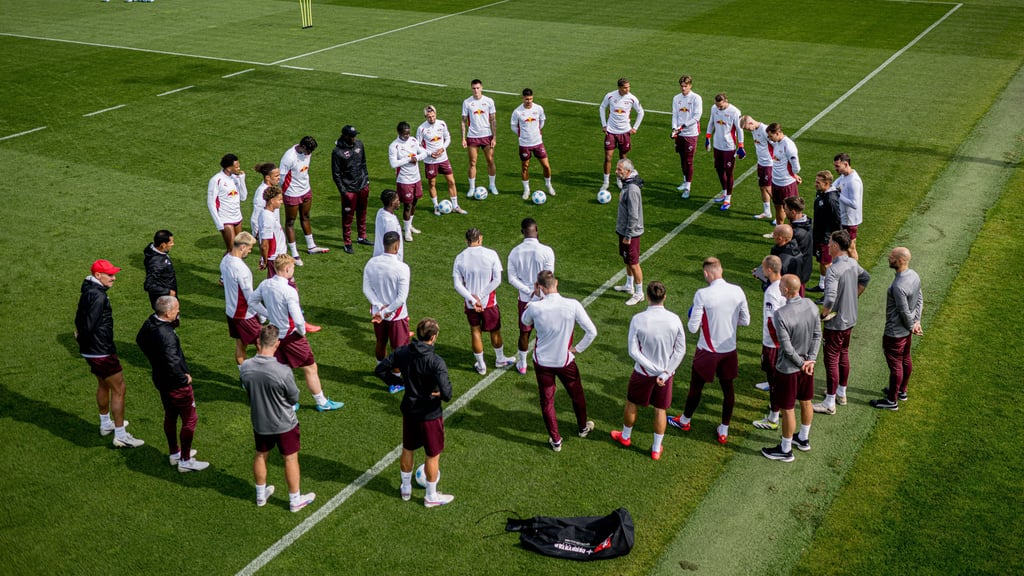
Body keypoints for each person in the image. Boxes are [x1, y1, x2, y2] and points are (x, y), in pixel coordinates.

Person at [668, 257, 750, 444]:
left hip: (707, 350)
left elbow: (692, 328)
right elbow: (745, 321)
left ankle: (685, 420)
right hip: (729, 350)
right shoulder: (737, 291)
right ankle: (724, 430)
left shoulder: (702, 294)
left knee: (696, 387)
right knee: (728, 389)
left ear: (707, 273)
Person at [375, 318, 455, 507]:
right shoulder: (436, 361)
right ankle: (431, 496)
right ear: (433, 337)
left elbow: (380, 369)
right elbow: (447, 393)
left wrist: (398, 383)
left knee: (408, 448)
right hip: (430, 413)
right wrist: (439, 394)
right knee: (432, 454)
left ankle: (405, 489)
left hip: (409, 409)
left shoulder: (403, 352)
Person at [250, 254, 344, 412]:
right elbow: (299, 320)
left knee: (283, 370)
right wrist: (301, 333)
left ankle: (289, 403)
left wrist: (267, 313)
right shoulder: (289, 291)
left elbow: (252, 301)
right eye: (292, 268)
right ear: (287, 269)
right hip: (291, 336)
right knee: (310, 367)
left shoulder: (265, 284)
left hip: (274, 336)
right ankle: (321, 402)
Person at [240, 325, 316, 512]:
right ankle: (294, 499)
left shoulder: (246, 367)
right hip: (284, 423)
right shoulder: (283, 371)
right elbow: (294, 397)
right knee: (290, 459)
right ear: (277, 344)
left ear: (258, 342)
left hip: (259, 421)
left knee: (260, 454)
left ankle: (260, 495)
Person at [521, 270, 598, 452]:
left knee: (547, 402)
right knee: (576, 394)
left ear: (539, 287)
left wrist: (532, 300)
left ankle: (556, 440)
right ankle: (582, 428)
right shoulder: (572, 305)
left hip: (542, 363)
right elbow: (592, 332)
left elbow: (525, 321)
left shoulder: (534, 307)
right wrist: (577, 349)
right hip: (564, 361)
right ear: (556, 282)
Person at [610, 281, 686, 461]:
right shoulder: (674, 319)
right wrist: (665, 373)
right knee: (660, 409)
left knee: (631, 403)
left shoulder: (638, 319)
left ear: (648, 296)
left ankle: (626, 436)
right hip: (665, 376)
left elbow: (632, 351)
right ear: (664, 297)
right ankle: (656, 449)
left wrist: (652, 368)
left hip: (642, 373)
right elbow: (680, 350)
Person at [75, 259, 144, 448]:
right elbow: (89, 324)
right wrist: (84, 337)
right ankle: (121, 435)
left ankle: (106, 424)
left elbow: (79, 318)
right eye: (110, 275)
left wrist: (80, 338)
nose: (114, 278)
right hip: (101, 350)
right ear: (98, 275)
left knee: (103, 385)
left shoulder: (88, 290)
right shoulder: (98, 295)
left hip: (91, 351)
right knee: (119, 389)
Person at [135, 296, 208, 472]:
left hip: (160, 379)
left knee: (170, 414)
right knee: (190, 419)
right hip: (176, 383)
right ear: (168, 313)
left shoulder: (150, 322)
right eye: (176, 309)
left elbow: (140, 340)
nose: (178, 312)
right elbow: (172, 361)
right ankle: (185, 460)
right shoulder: (166, 335)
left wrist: (155, 359)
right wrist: (184, 379)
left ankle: (175, 453)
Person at [761, 275, 820, 462]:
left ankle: (785, 449)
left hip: (788, 369)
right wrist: (810, 360)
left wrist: (802, 363)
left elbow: (786, 348)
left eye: (781, 286)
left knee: (787, 409)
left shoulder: (780, 314)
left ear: (786, 290)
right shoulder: (811, 304)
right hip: (807, 367)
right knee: (806, 400)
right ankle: (803, 438)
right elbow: (817, 335)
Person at [813, 230, 870, 414]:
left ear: (836, 246)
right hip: (851, 317)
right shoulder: (853, 263)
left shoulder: (833, 270)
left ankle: (830, 402)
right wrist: (854, 296)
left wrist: (825, 314)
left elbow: (829, 298)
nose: (828, 246)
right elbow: (865, 278)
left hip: (836, 322)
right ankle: (841, 392)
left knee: (831, 359)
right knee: (843, 353)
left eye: (830, 243)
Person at [453, 228, 513, 375]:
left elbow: (457, 284)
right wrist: (481, 296)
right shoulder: (491, 254)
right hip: (489, 302)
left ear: (466, 241)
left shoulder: (460, 258)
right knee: (495, 330)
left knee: (475, 331)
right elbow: (497, 280)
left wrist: (473, 299)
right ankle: (500, 359)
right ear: (480, 238)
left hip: (470, 303)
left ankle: (481, 365)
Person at [870, 247, 924, 410]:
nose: (889, 257)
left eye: (892, 256)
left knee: (896, 366)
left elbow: (903, 311)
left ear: (900, 260)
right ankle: (902, 391)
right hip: (906, 331)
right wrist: (916, 322)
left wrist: (912, 325)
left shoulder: (898, 286)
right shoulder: (914, 275)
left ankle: (892, 401)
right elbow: (920, 297)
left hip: (895, 333)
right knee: (905, 359)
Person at [363, 231, 411, 394]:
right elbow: (401, 298)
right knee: (398, 349)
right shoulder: (402, 268)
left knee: (380, 341)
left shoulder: (371, 263)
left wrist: (378, 307)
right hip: (396, 315)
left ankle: (380, 368)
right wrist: (386, 311)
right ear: (397, 246)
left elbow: (366, 289)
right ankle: (395, 379)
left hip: (377, 313)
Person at [506, 218, 555, 375]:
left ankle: (523, 363)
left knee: (524, 332)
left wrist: (528, 292)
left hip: (525, 300)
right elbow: (548, 276)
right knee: (546, 332)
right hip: (544, 299)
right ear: (537, 230)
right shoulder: (547, 251)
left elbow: (512, 278)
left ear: (522, 232)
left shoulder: (514, 252)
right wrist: (538, 292)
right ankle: (544, 362)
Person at [221, 231, 268, 366]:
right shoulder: (241, 269)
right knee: (263, 345)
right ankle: (259, 377)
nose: (249, 251)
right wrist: (267, 313)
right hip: (244, 314)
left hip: (231, 311)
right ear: (242, 247)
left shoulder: (225, 260)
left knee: (240, 344)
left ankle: (244, 375)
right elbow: (251, 299)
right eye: (249, 248)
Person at [280, 136, 329, 260]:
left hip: (305, 190)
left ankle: (311, 246)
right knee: (290, 222)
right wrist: (283, 193)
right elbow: (281, 177)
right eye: (308, 151)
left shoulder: (308, 153)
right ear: (302, 147)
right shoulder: (289, 157)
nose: (309, 154)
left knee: (306, 216)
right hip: (292, 192)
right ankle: (294, 253)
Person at [417, 106, 467, 216]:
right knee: (432, 183)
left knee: (451, 181)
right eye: (429, 117)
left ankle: (455, 206)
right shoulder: (421, 129)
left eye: (433, 116)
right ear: (425, 117)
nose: (432, 118)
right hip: (430, 161)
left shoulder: (442, 124)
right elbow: (418, 146)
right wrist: (430, 153)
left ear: (436, 114)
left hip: (443, 158)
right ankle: (436, 207)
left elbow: (448, 138)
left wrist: (443, 148)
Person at [331, 125, 373, 254]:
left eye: (355, 136)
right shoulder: (337, 152)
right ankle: (347, 242)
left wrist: (366, 181)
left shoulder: (359, 145)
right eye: (352, 136)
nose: (354, 138)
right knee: (348, 217)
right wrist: (343, 191)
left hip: (362, 186)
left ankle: (362, 237)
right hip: (349, 189)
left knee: (362, 212)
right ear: (345, 136)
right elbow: (336, 174)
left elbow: (363, 163)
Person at [599, 77, 644, 192]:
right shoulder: (610, 96)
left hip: (624, 132)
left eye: (629, 87)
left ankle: (620, 180)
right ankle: (606, 182)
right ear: (619, 87)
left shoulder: (632, 98)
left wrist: (635, 128)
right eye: (625, 88)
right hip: (611, 132)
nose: (627, 89)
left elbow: (641, 112)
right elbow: (602, 107)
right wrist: (604, 125)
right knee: (608, 157)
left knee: (623, 158)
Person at [611, 159, 646, 306]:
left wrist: (628, 235)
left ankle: (639, 293)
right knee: (627, 260)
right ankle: (629, 285)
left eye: (619, 170)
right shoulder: (627, 184)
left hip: (630, 233)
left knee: (634, 263)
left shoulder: (632, 189)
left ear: (628, 171)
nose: (616, 172)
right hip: (624, 230)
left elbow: (634, 215)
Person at [511, 88, 556, 199]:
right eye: (527, 99)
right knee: (525, 167)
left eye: (530, 99)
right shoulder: (517, 112)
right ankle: (526, 189)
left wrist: (536, 132)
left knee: (546, 166)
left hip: (538, 142)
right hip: (524, 144)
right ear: (523, 98)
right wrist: (522, 135)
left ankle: (548, 184)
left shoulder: (538, 108)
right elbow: (513, 126)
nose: (529, 101)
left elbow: (542, 121)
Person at [388, 121, 429, 243]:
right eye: (405, 133)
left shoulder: (413, 141)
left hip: (416, 177)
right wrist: (408, 159)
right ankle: (406, 231)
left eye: (408, 133)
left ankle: (409, 225)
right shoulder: (394, 146)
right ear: (399, 132)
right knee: (407, 205)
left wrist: (416, 158)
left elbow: (424, 152)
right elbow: (393, 164)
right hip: (404, 179)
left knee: (415, 202)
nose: (407, 135)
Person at [705, 93, 744, 210]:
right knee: (719, 169)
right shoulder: (714, 108)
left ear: (726, 101)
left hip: (729, 146)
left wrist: (741, 145)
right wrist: (707, 137)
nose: (719, 108)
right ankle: (724, 191)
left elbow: (739, 129)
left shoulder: (735, 112)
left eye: (721, 106)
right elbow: (711, 122)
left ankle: (728, 198)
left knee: (729, 172)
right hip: (717, 144)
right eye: (717, 106)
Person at [461, 79, 500, 196]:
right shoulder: (467, 102)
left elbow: (493, 119)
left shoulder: (489, 101)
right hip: (472, 136)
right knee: (472, 162)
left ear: (482, 88)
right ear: (471, 88)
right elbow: (463, 121)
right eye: (473, 88)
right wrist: (463, 138)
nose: (476, 90)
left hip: (487, 136)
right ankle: (472, 187)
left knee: (490, 160)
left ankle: (492, 185)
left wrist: (494, 137)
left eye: (478, 88)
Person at [808, 170, 842, 293]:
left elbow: (837, 219)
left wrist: (834, 238)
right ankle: (822, 285)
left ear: (827, 183)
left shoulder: (831, 199)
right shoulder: (821, 193)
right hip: (819, 234)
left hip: (826, 237)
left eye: (818, 182)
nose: (815, 184)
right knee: (822, 262)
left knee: (827, 264)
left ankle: (829, 292)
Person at [207, 153, 248, 253]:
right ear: (229, 168)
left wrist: (242, 180)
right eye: (236, 166)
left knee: (239, 249)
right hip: (225, 219)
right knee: (231, 250)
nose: (239, 168)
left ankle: (236, 268)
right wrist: (219, 224)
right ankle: (225, 268)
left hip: (238, 217)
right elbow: (211, 203)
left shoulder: (236, 178)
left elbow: (243, 197)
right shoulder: (216, 180)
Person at [672, 75, 702, 199]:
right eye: (682, 86)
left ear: (690, 85)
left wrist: (683, 126)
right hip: (679, 133)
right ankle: (685, 180)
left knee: (689, 161)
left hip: (691, 133)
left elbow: (696, 117)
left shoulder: (696, 98)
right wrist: (674, 128)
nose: (683, 88)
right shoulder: (676, 98)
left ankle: (688, 188)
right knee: (682, 158)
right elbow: (674, 114)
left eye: (686, 86)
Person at [766, 123, 802, 224]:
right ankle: (778, 230)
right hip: (776, 182)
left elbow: (796, 167)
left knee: (791, 211)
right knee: (778, 208)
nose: (769, 138)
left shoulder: (789, 146)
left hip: (787, 184)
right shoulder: (777, 142)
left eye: (771, 136)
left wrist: (793, 175)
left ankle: (792, 234)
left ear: (777, 133)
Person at [740, 115, 774, 220]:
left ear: (751, 123)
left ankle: (780, 212)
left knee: (769, 188)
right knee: (763, 187)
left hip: (769, 164)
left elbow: (776, 145)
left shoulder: (765, 130)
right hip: (761, 163)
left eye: (746, 128)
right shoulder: (754, 130)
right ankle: (767, 211)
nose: (747, 130)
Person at [833, 153, 863, 261]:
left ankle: (855, 271)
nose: (835, 168)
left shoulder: (853, 181)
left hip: (850, 220)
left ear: (845, 164)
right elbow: (833, 185)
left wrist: (838, 195)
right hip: (843, 217)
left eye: (837, 166)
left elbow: (855, 204)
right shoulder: (843, 176)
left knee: (851, 248)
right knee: (842, 245)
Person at [784, 196, 814, 288]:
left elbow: (787, 256)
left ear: (793, 212)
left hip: (795, 276)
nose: (784, 212)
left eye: (785, 209)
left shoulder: (796, 233)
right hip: (801, 272)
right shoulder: (806, 224)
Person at [143, 229, 177, 311]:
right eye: (170, 242)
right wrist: (168, 291)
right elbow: (149, 285)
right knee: (168, 321)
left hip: (167, 297)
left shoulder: (157, 252)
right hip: (165, 301)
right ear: (163, 245)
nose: (173, 244)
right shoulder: (156, 263)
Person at [373, 188, 404, 261]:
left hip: (379, 255)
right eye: (397, 200)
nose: (399, 202)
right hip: (389, 260)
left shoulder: (380, 212)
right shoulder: (390, 221)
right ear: (392, 203)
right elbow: (391, 244)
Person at [250, 162, 280, 237]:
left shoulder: (271, 189)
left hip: (274, 229)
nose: (279, 178)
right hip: (267, 231)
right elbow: (255, 216)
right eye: (276, 176)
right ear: (267, 178)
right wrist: (256, 233)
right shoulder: (261, 193)